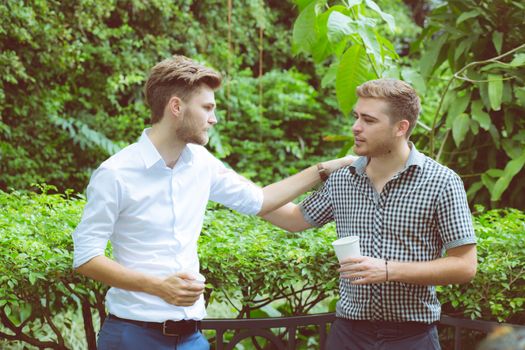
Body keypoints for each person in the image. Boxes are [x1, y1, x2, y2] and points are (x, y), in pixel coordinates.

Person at [72, 55, 353, 350]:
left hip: (192, 337)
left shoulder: (201, 163)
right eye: (207, 108)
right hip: (133, 336)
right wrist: (157, 287)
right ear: (176, 107)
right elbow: (86, 256)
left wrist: (325, 169)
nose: (213, 119)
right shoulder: (115, 173)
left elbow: (261, 200)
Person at [262, 78, 478, 350]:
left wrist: (388, 270)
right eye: (356, 117)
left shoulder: (442, 182)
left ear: (401, 127)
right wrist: (320, 170)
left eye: (369, 120)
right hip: (348, 334)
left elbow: (465, 266)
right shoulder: (342, 179)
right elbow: (291, 219)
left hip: (412, 338)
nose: (356, 127)